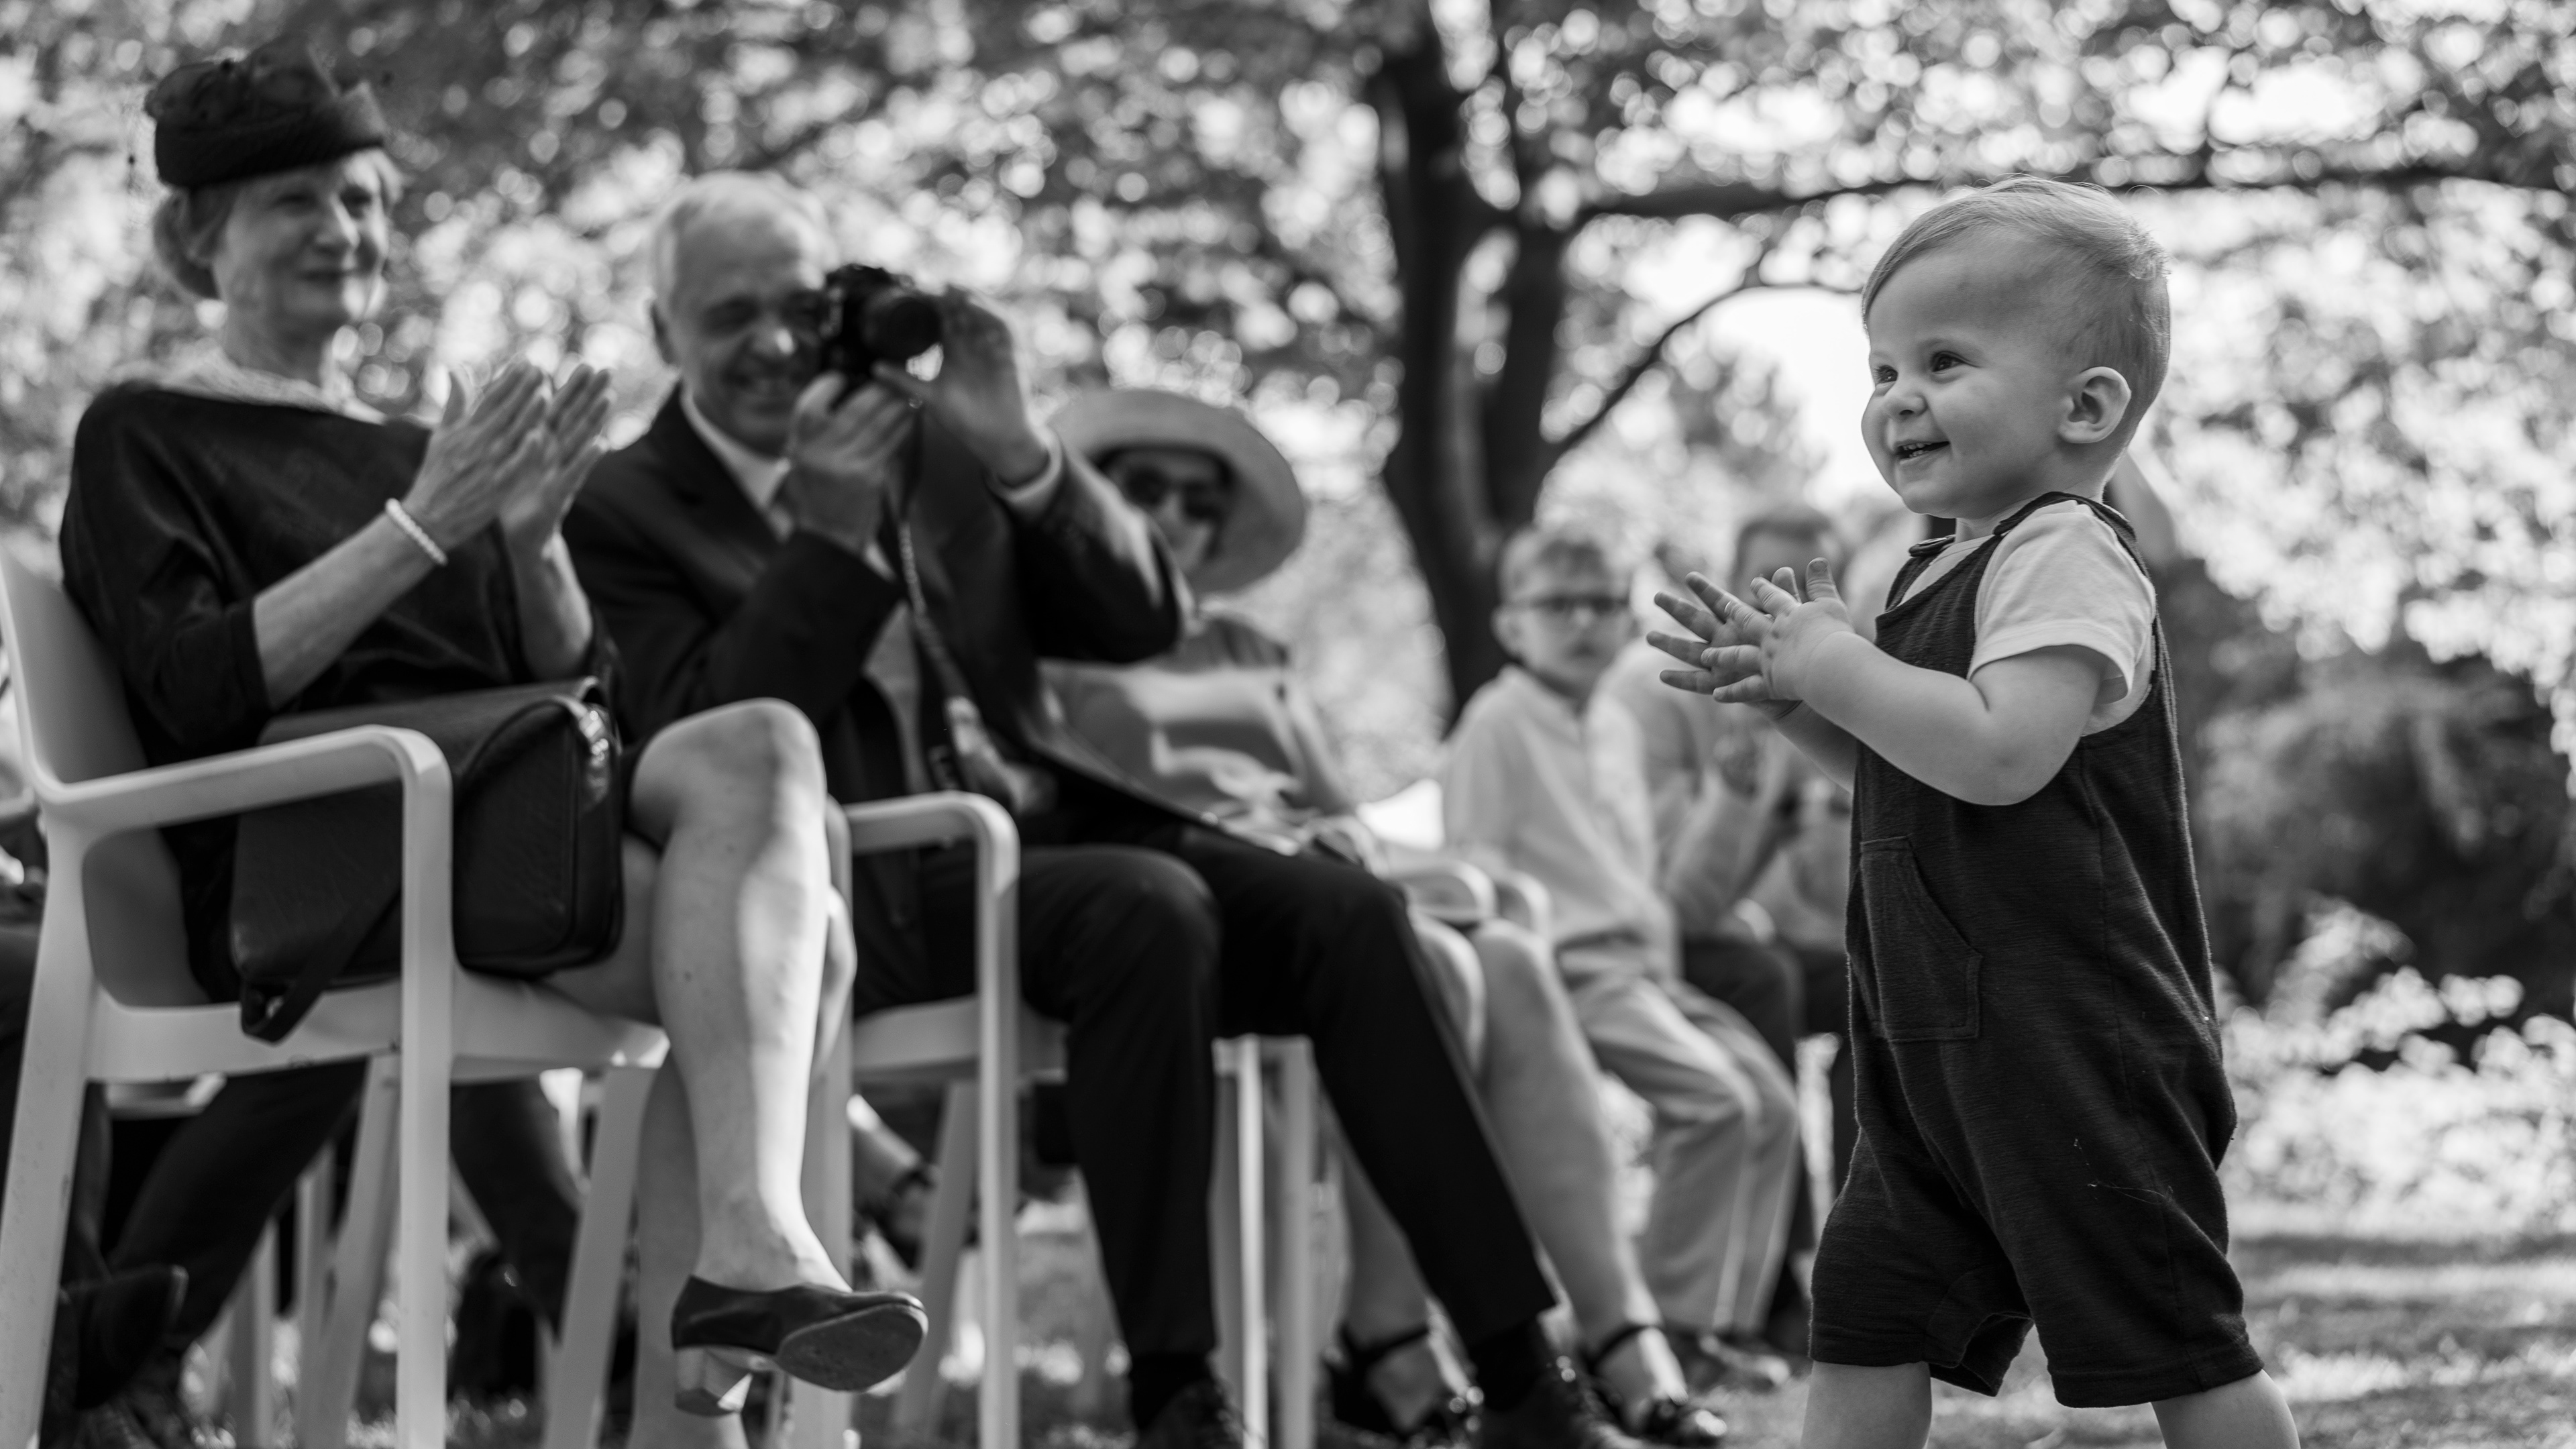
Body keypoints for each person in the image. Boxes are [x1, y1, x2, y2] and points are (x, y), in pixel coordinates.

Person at [564, 171, 1638, 1449]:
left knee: (1349, 912)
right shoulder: (620, 505)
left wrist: (1020, 448)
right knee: (1149, 907)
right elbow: (700, 729)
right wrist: (827, 542)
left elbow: (1143, 617)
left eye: (798, 307)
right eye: (728, 315)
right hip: (858, 885)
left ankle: (1522, 1377)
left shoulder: (928, 450)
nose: (774, 343)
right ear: (662, 330)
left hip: (1055, 836)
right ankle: (1178, 1392)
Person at [57, 42, 921, 1442]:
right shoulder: (145, 430)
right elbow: (192, 692)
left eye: (362, 201)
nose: (343, 230)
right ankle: (703, 1391)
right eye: (295, 203)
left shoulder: (426, 450)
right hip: (317, 855)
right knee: (796, 936)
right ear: (196, 240)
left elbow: (579, 702)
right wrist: (424, 527)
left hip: (489, 827)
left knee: (761, 751)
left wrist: (528, 544)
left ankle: (746, 1248)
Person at [1649, 176, 2298, 1448]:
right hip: (1932, 1039)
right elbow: (1916, 773)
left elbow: (2002, 756)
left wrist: (1836, 660)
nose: (1899, 398)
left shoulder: (2066, 551)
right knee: (1864, 1317)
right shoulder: (1941, 564)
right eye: (1883, 369)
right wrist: (1797, 704)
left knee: (2172, 1336)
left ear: (2086, 407)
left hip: (2074, 1034)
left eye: (1944, 362)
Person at [1040, 389, 1725, 1448]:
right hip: (1176, 910)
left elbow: (1338, 817)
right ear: (1093, 498)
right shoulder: (1052, 640)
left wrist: (1397, 861)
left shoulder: (1249, 652)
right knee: (1438, 966)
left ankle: (1616, 1335)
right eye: (1146, 489)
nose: (1175, 514)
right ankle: (1393, 1335)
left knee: (1508, 956)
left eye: (1199, 500)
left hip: (1311, 896)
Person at [1442, 524, 1803, 1388]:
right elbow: (1473, 867)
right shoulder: (1497, 722)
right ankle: (1657, 1329)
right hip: (1565, 971)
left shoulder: (1612, 722)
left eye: (1603, 604)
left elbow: (1637, 872)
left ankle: (1718, 1324)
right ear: (1511, 625)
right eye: (1557, 605)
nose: (1583, 623)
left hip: (1643, 969)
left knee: (1771, 1102)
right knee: (1715, 1102)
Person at [1602, 508, 1860, 1358]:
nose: (1778, 606)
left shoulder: (1815, 682)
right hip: (1630, 939)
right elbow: (1674, 903)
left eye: (1803, 587)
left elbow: (1823, 892)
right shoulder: (1652, 692)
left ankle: (1867, 1256)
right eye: (1763, 582)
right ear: (1724, 577)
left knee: (1872, 984)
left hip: (1723, 935)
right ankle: (1775, 1286)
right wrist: (1742, 767)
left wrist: (1829, 799)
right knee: (1762, 978)